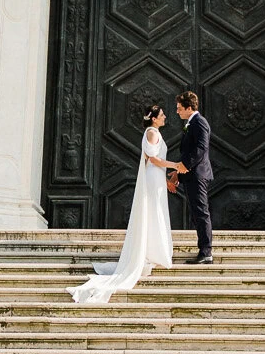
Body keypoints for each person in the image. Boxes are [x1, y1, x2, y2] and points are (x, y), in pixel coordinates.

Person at [69, 105, 182, 306]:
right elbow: (153, 159)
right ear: (154, 119)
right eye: (162, 115)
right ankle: (153, 252)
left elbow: (154, 161)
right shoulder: (152, 133)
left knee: (156, 213)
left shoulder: (153, 132)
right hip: (153, 176)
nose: (165, 117)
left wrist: (166, 179)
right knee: (153, 213)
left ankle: (154, 251)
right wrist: (175, 166)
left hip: (156, 178)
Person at [175, 89, 214, 264]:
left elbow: (201, 148)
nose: (177, 111)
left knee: (201, 212)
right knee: (197, 213)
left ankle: (206, 252)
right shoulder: (192, 122)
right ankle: (203, 250)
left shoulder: (200, 122)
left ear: (188, 107)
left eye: (179, 108)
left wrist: (185, 165)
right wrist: (178, 171)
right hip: (191, 175)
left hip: (197, 174)